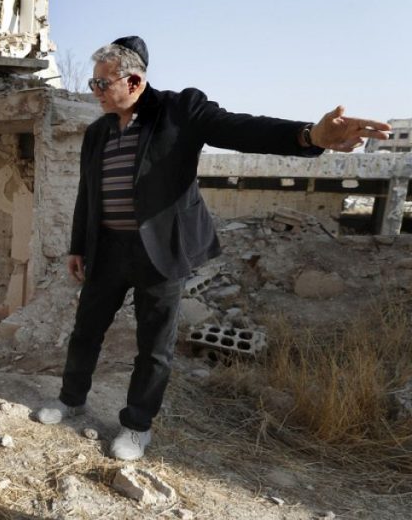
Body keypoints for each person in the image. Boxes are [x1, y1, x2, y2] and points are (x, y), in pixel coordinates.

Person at [36, 36, 390, 461]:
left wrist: (309, 135)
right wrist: (78, 245)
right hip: (108, 249)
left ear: (133, 81)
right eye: (93, 83)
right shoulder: (98, 131)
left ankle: (137, 425)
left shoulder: (180, 110)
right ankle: (71, 399)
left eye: (101, 83)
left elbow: (241, 128)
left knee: (154, 345)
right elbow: (87, 192)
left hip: (161, 251)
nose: (94, 91)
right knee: (86, 330)